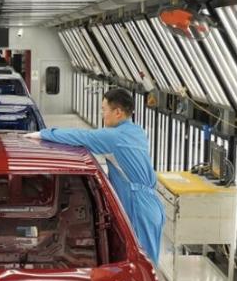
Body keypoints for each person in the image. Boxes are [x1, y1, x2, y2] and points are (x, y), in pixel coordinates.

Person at [25, 88, 165, 263]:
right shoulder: (136, 131)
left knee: (143, 264)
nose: (102, 114)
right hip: (150, 205)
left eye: (104, 109)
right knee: (145, 260)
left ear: (118, 112)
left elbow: (81, 137)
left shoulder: (114, 137)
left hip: (139, 207)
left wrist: (43, 134)